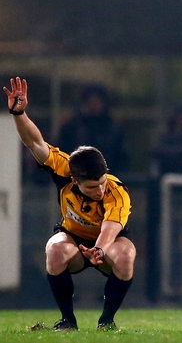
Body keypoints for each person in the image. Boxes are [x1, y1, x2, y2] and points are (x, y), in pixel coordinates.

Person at [4, 77, 135, 331]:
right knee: (54, 250)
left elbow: (111, 225)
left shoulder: (116, 191)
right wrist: (18, 113)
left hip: (106, 241)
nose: (99, 190)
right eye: (91, 187)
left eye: (102, 182)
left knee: (126, 256)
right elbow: (35, 142)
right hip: (73, 237)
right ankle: (67, 320)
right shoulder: (64, 168)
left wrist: (98, 250)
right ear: (75, 180)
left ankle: (106, 321)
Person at [57, 84, 128, 173]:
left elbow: (119, 157)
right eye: (90, 101)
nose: (94, 105)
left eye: (97, 101)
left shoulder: (113, 129)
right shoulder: (71, 128)